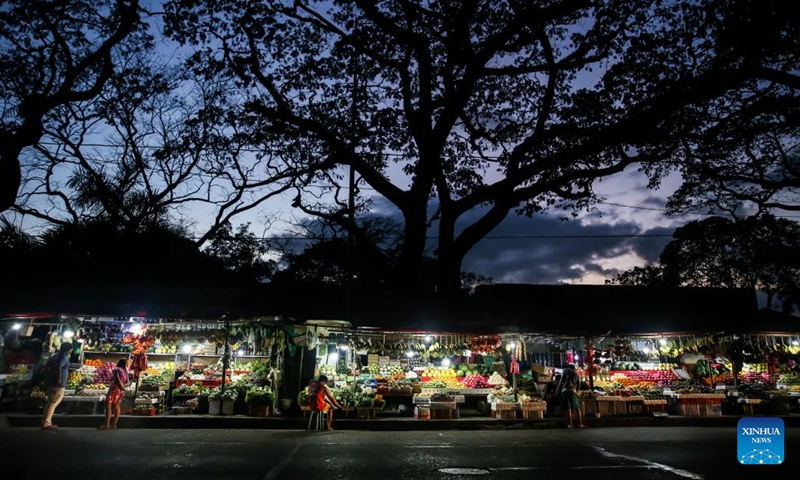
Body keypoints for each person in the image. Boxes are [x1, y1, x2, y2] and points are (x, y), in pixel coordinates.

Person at [41, 342, 72, 430]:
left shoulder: (54, 356)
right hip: (59, 385)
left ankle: (45, 422)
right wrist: (59, 380)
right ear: (69, 350)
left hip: (51, 383)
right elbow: (59, 367)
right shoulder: (64, 357)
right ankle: (47, 423)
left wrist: (48, 378)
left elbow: (46, 367)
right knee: (53, 404)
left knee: (49, 403)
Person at [98, 359, 129, 430]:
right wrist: (123, 387)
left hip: (114, 389)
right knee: (117, 406)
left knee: (108, 406)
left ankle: (106, 424)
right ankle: (114, 424)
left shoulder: (116, 369)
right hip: (120, 391)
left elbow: (117, 378)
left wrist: (120, 385)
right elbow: (128, 382)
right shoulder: (125, 371)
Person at [557, 364, 585, 429]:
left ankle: (570, 424)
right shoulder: (576, 374)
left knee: (568, 408)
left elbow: (561, 380)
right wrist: (576, 391)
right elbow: (579, 385)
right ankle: (580, 423)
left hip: (565, 390)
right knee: (577, 408)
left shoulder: (565, 371)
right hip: (573, 391)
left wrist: (558, 388)